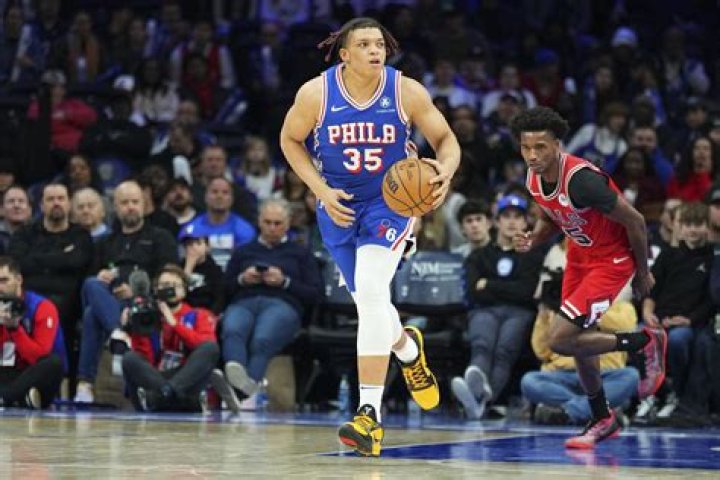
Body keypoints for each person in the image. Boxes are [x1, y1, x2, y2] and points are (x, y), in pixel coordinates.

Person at [279, 17, 460, 457]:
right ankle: (407, 348)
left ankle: (368, 417)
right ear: (344, 55)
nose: (375, 50)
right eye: (364, 44)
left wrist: (445, 171)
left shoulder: (405, 91)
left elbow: (445, 138)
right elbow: (289, 140)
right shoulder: (316, 93)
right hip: (338, 206)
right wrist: (320, 189)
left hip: (390, 204)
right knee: (371, 306)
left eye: (379, 43)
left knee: (374, 292)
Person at [509, 106, 667, 449]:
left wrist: (642, 272)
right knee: (579, 342)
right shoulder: (533, 177)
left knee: (559, 340)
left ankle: (643, 342)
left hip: (612, 260)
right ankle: (602, 418)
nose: (532, 155)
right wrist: (534, 238)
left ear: (558, 146)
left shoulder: (582, 181)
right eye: (526, 147)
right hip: (579, 257)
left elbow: (636, 221)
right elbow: (552, 216)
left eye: (540, 147)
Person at [222, 199, 322, 405]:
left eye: (277, 223)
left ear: (287, 224)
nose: (272, 228)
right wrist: (243, 279)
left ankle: (241, 393)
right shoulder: (243, 251)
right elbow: (224, 288)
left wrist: (285, 282)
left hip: (282, 303)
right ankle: (242, 386)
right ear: (259, 222)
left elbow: (315, 293)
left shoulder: (301, 253)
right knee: (232, 328)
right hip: (245, 300)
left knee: (263, 338)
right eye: (267, 222)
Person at [120, 264, 221, 413]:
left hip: (185, 377)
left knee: (210, 348)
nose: (170, 289)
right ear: (156, 290)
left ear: (185, 290)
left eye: (175, 285)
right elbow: (145, 360)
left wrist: (174, 324)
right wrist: (135, 328)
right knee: (129, 358)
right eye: (165, 285)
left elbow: (203, 346)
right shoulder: (148, 315)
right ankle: (172, 395)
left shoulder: (200, 314)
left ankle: (164, 394)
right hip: (157, 378)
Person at [0, 256, 64, 409]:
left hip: (32, 372)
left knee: (53, 363)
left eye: (4, 280)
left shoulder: (42, 307)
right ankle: (21, 398)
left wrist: (14, 329)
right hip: (5, 370)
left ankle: (7, 397)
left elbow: (38, 357)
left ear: (19, 280)